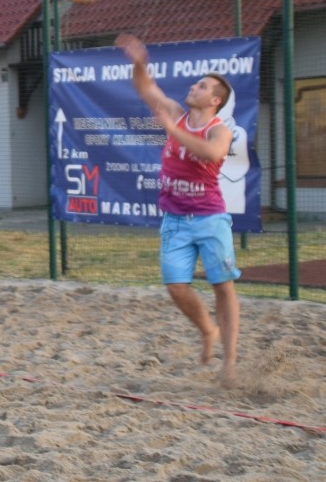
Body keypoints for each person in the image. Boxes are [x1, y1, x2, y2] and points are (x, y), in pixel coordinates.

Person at [116, 33, 241, 386]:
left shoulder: (220, 131)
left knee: (223, 287)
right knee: (175, 287)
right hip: (175, 219)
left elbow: (211, 155)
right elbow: (147, 88)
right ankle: (207, 330)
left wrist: (171, 129)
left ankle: (229, 363)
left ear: (215, 100)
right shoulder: (175, 113)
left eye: (202, 86)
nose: (194, 86)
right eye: (195, 82)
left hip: (210, 218)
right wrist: (140, 63)